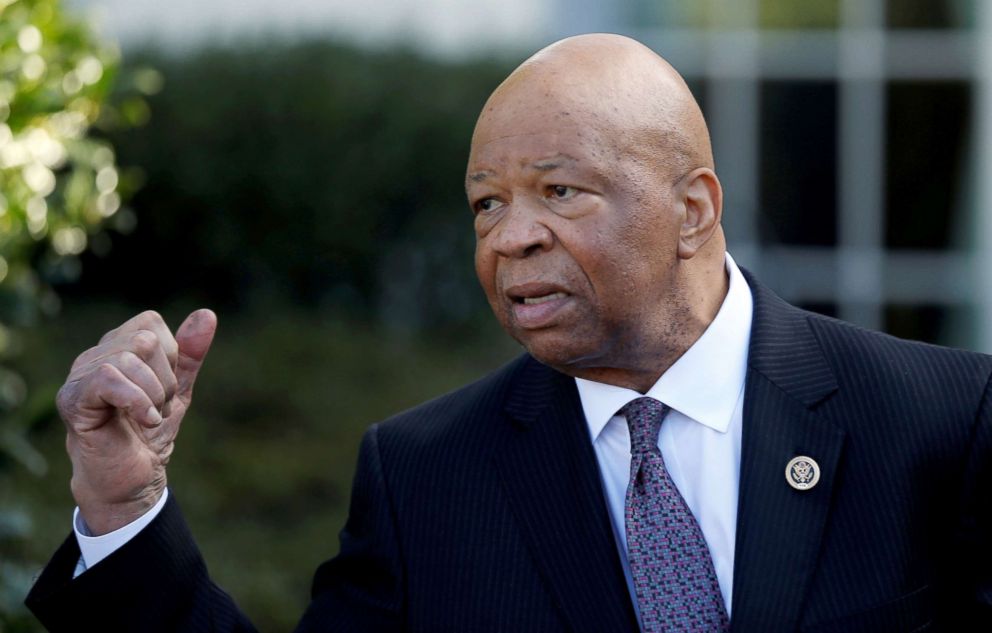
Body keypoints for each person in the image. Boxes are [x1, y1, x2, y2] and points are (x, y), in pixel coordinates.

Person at [25, 33, 992, 632]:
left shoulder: (939, 420)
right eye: (486, 204)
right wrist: (124, 511)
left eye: (558, 191)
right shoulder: (426, 476)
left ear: (693, 209)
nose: (510, 234)